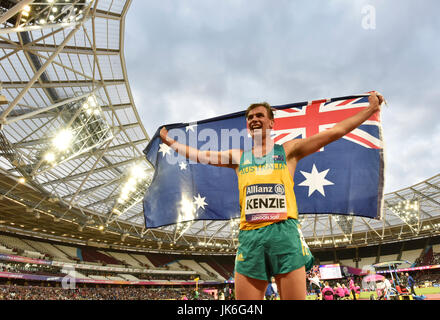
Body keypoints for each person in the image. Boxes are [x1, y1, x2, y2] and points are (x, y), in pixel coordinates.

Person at [159, 92, 384, 300]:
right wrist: (171, 142)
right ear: (247, 126)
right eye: (250, 117)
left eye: (259, 115)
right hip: (250, 237)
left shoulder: (288, 151)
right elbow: (200, 155)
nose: (254, 119)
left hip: (284, 234)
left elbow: (334, 133)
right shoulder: (238, 157)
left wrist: (369, 109)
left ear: (271, 123)